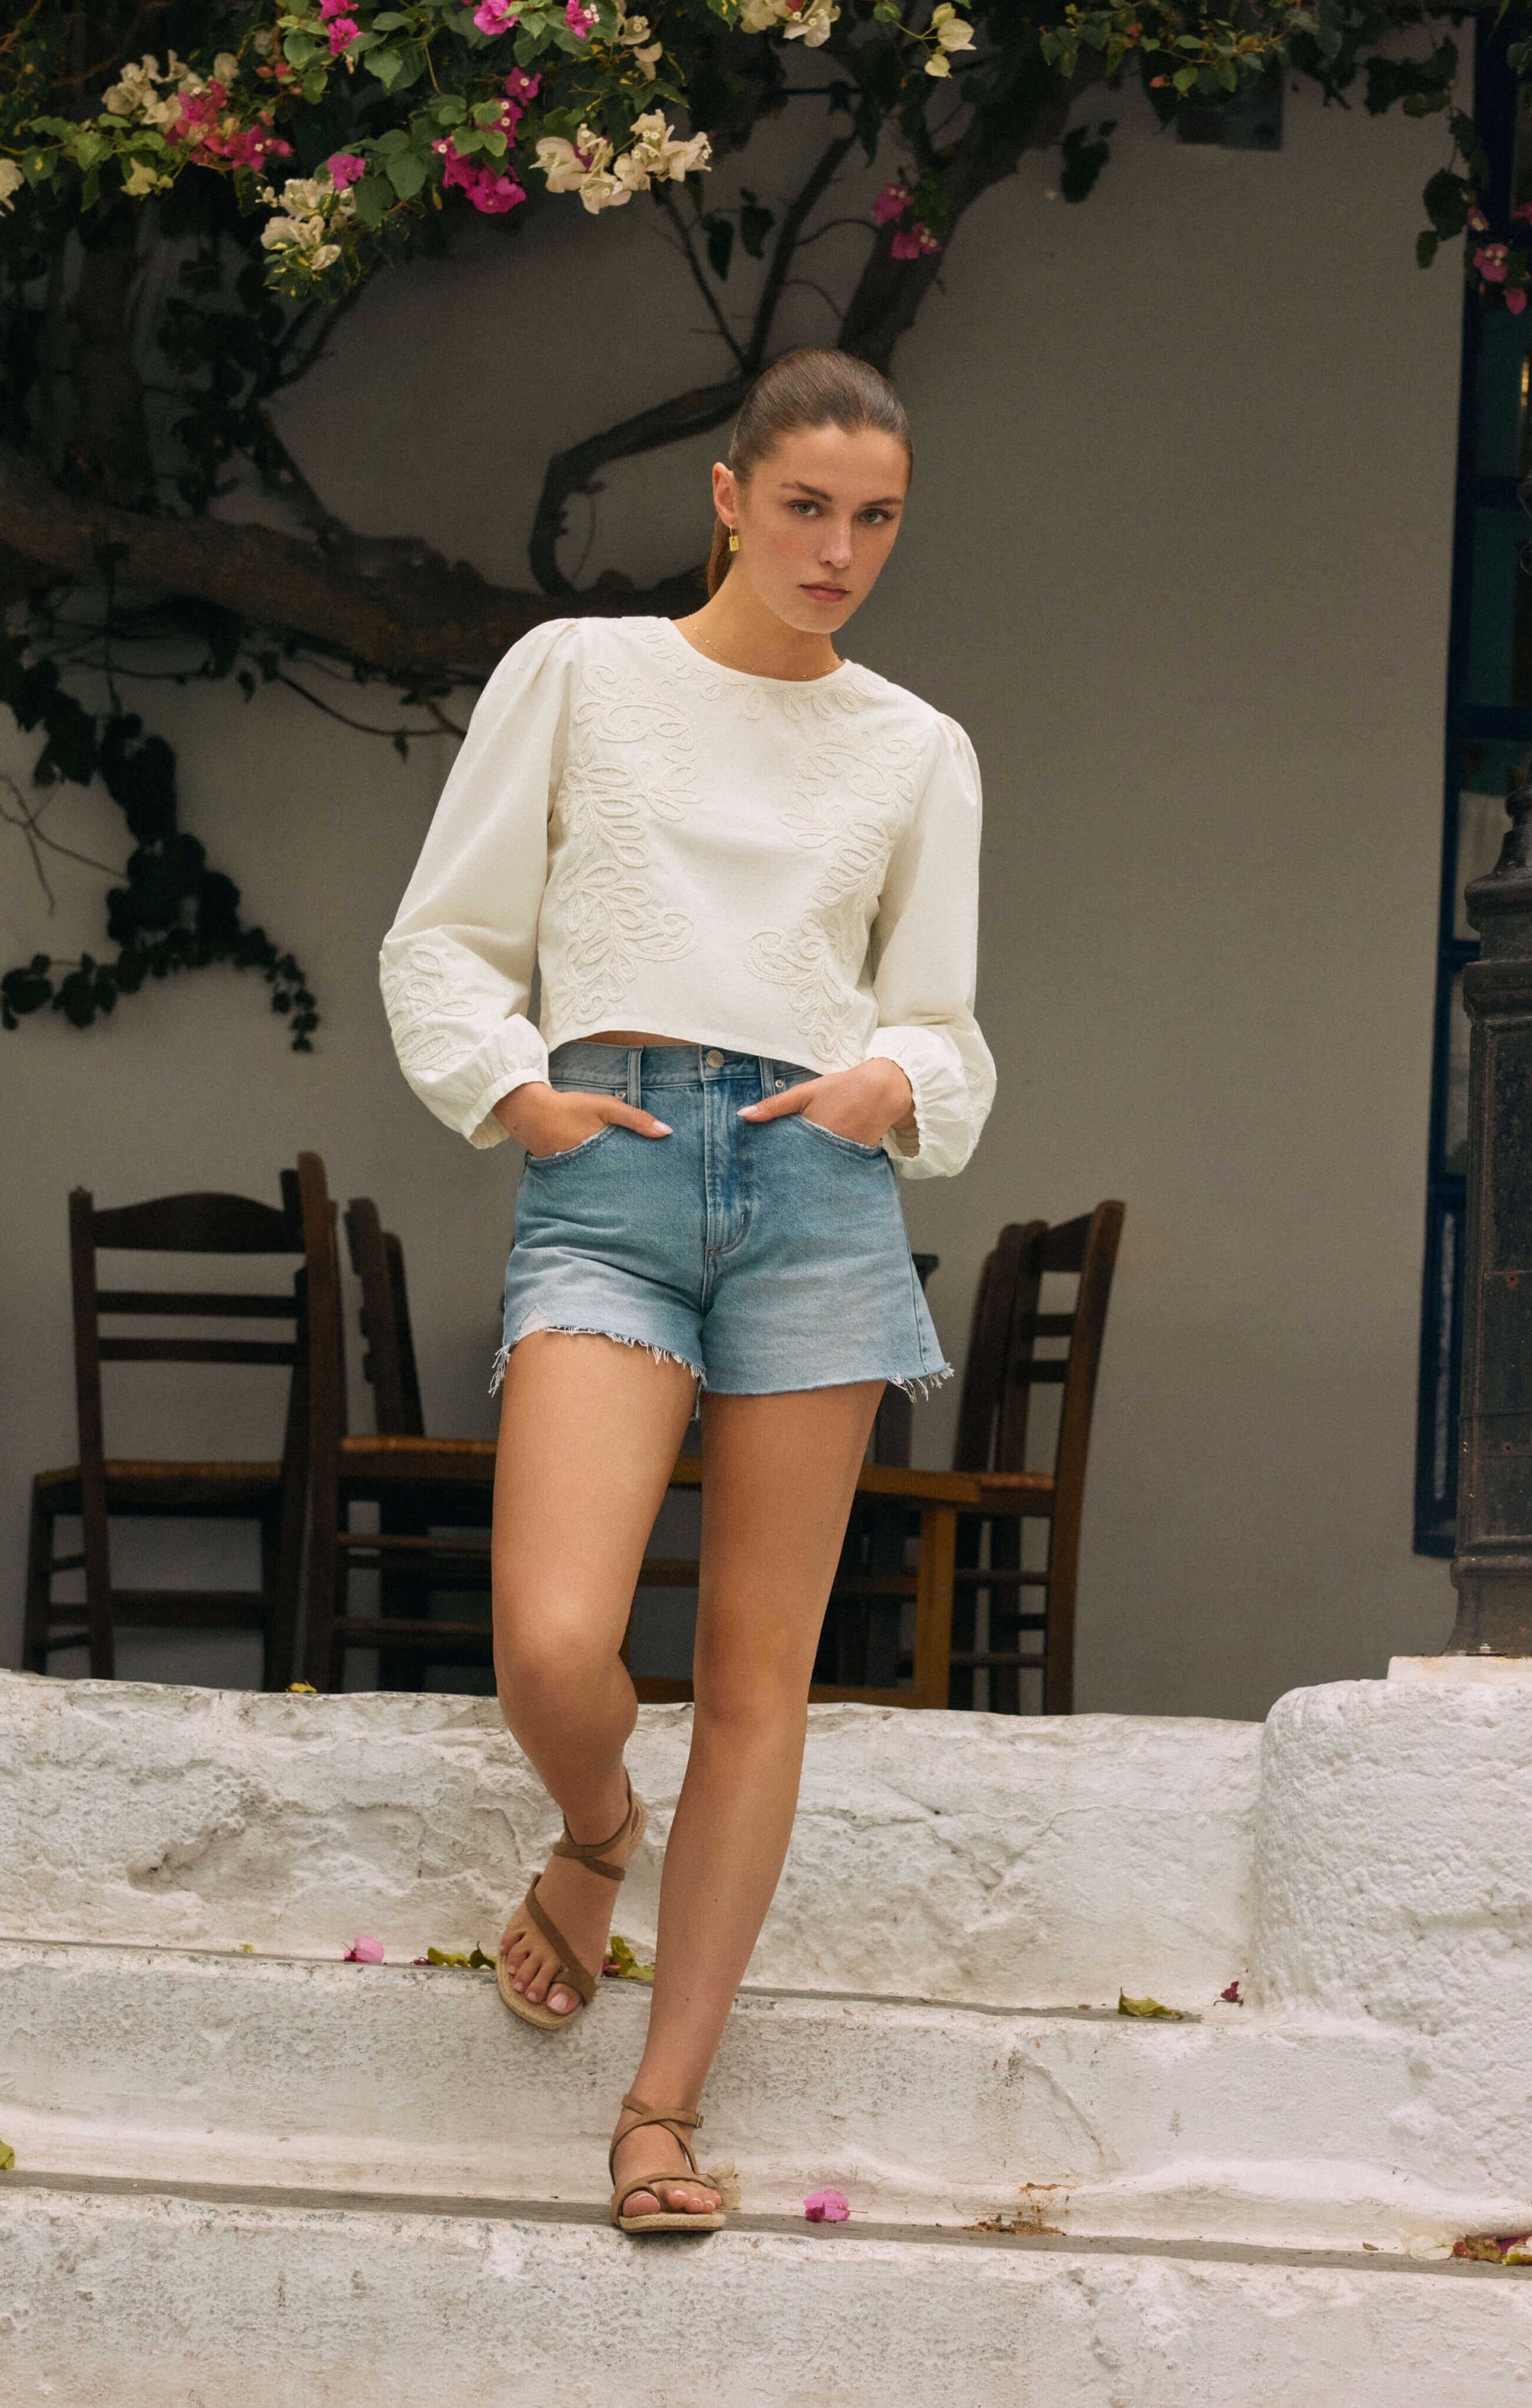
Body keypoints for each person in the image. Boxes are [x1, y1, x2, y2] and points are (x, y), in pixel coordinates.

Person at [380, 346, 994, 2236]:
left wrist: (896, 1080)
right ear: (727, 497)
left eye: (875, 518)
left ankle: (660, 2108)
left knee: (753, 1680)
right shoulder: (578, 672)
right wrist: (516, 1092)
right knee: (554, 1640)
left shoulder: (917, 745)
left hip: (816, 1187)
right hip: (616, 1171)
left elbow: (942, 1018)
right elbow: (444, 938)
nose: (837, 551)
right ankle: (596, 1831)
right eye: (804, 506)